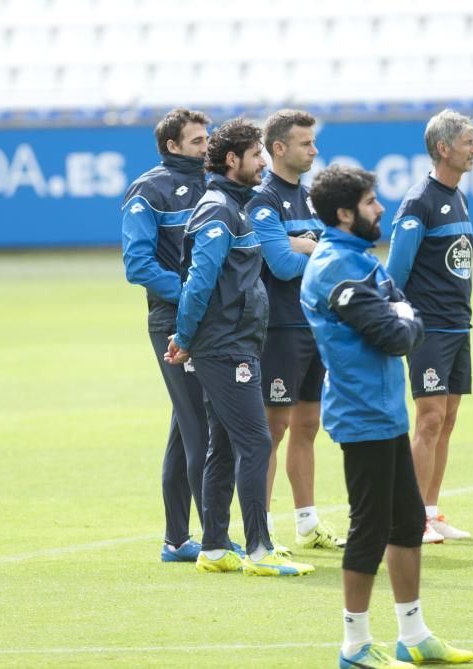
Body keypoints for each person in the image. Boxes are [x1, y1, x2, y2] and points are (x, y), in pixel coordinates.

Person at [301, 165, 473, 669]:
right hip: (360, 416)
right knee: (370, 528)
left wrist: (403, 315)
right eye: (373, 202)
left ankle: (413, 635)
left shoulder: (361, 261)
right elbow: (397, 334)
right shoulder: (336, 267)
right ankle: (354, 645)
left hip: (385, 412)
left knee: (405, 523)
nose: (381, 209)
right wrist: (402, 316)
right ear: (345, 213)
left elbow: (405, 313)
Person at [164, 118, 313, 577]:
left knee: (225, 445)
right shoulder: (218, 210)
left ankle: (212, 547)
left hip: (236, 341)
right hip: (225, 346)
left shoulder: (235, 206)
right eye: (256, 156)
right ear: (233, 160)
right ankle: (258, 549)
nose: (264, 163)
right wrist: (185, 338)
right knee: (256, 441)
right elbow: (199, 282)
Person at [246, 109, 344, 554]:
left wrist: (307, 247)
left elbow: (333, 259)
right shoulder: (262, 200)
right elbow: (281, 265)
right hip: (280, 327)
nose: (314, 150)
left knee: (308, 423)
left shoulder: (311, 199)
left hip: (314, 324)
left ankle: (307, 523)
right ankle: (260, 529)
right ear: (279, 148)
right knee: (273, 426)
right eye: (306, 143)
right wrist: (309, 250)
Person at [121, 107, 211, 563]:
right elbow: (137, 265)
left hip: (210, 319)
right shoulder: (148, 189)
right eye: (197, 141)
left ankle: (177, 540)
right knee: (201, 426)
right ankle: (215, 539)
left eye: (207, 139)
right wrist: (194, 292)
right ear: (172, 146)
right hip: (174, 320)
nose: (206, 147)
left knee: (186, 425)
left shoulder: (213, 183)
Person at [385, 109, 473, 544]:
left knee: (449, 419)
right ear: (444, 148)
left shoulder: (458, 196)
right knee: (429, 419)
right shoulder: (419, 202)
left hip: (459, 326)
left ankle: (430, 511)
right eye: (468, 142)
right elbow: (395, 272)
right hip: (429, 329)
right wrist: (395, 321)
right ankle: (410, 517)